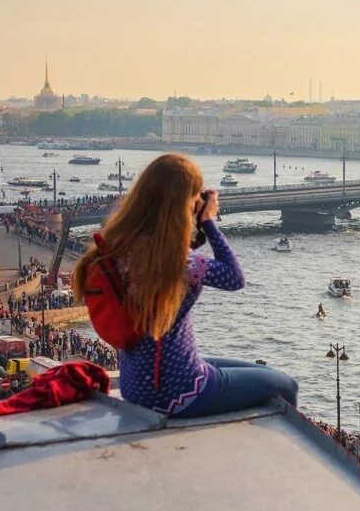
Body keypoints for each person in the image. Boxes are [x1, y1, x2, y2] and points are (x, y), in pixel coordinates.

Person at [73, 154, 298, 417]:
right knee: (286, 384)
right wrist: (209, 222)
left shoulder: (116, 246)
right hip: (179, 392)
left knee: (265, 373)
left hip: (136, 385)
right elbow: (235, 278)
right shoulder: (179, 262)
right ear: (181, 205)